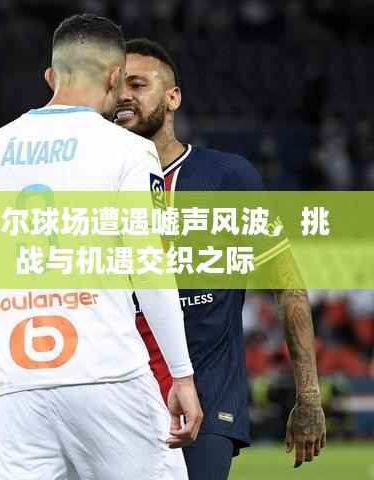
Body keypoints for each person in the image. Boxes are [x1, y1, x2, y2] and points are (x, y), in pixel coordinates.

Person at [0, 15, 203, 480]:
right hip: (110, 379)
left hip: (19, 392)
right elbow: (149, 267)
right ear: (115, 77)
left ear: (51, 76)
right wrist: (181, 374)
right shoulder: (128, 151)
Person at [115, 38, 326, 479]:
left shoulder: (226, 177)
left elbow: (287, 284)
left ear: (173, 97)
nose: (124, 96)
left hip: (209, 399)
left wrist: (309, 397)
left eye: (138, 84)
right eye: (116, 86)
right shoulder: (96, 185)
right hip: (116, 399)